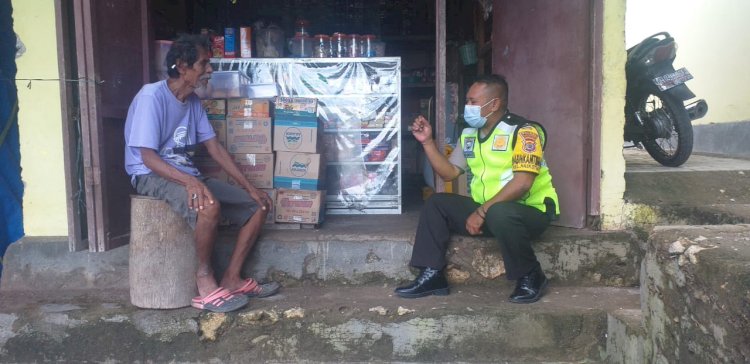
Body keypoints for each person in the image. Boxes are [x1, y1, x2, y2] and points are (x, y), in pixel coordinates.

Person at [124, 34, 279, 313]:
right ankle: (204, 283)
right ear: (182, 66)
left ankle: (232, 278)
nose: (210, 70)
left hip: (185, 174)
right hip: (150, 174)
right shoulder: (151, 96)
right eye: (204, 63)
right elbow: (147, 157)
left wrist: (249, 186)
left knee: (258, 205)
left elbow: (215, 148)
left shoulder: (192, 102)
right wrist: (189, 181)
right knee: (209, 207)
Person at [395, 74, 560, 304]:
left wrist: (481, 211)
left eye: (473, 102)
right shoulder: (470, 134)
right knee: (436, 203)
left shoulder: (524, 132)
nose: (467, 107)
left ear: (494, 104)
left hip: (528, 213)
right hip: (491, 212)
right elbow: (450, 172)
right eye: (467, 101)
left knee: (499, 211)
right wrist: (427, 143)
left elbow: (523, 183)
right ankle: (432, 274)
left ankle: (530, 275)